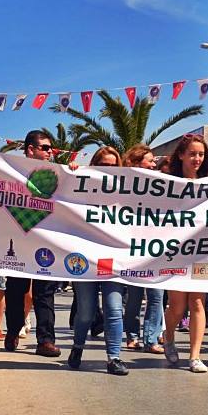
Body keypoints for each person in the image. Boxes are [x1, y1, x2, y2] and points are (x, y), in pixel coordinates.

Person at [68, 145, 128, 376]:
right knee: (86, 312)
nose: (109, 170)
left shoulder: (126, 191)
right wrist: (73, 173)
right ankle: (77, 347)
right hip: (84, 258)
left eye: (114, 166)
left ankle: (114, 358)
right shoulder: (83, 188)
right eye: (103, 166)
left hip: (112, 258)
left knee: (114, 308)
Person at [5, 130, 62, 357]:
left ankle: (45, 341)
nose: (51, 152)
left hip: (45, 242)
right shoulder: (10, 171)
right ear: (31, 149)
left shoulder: (57, 174)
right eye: (46, 148)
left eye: (51, 148)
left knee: (45, 292)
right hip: (17, 240)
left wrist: (74, 173)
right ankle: (13, 331)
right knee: (16, 290)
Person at [161, 135, 208, 373]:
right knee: (177, 307)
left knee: (198, 304)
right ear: (181, 155)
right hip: (175, 254)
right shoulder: (165, 185)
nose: (197, 159)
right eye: (192, 154)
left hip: (202, 253)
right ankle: (168, 336)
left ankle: (195, 356)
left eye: (201, 154)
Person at [120, 144, 165, 354]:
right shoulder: (124, 185)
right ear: (138, 163)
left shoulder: (163, 183)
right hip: (134, 251)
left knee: (156, 296)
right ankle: (132, 335)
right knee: (135, 298)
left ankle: (151, 339)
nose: (155, 163)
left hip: (157, 251)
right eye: (150, 160)